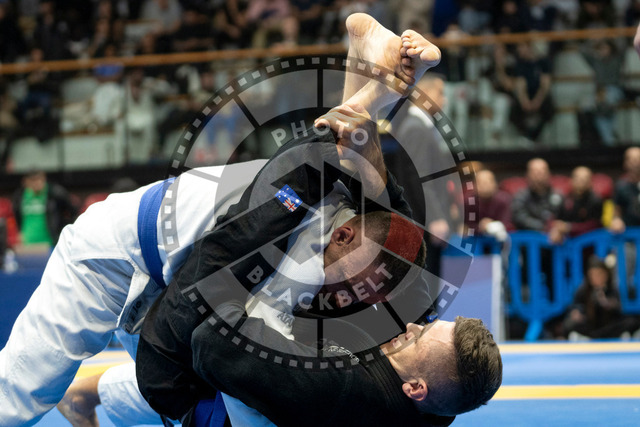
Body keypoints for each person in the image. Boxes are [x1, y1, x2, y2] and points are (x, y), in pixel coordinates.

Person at [0, 12, 440, 426]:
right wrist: (377, 96)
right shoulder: (301, 251)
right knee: (21, 397)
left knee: (198, 371)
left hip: (171, 266)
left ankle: (88, 394)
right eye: (350, 282)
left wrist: (379, 95)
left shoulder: (348, 205)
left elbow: (376, 192)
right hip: (111, 255)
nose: (343, 296)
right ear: (342, 236)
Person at [137, 13, 500, 426]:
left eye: (418, 338)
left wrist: (264, 283)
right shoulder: (437, 394)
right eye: (426, 327)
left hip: (190, 369)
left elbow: (212, 340)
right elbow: (434, 374)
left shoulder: (340, 390)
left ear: (415, 388)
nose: (414, 328)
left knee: (270, 222)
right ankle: (367, 100)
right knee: (388, 245)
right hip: (215, 362)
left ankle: (370, 100)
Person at [563, 256, 640, 340]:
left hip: (609, 326)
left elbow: (619, 310)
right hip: (590, 327)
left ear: (606, 274)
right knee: (569, 324)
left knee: (631, 322)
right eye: (593, 275)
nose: (597, 278)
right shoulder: (583, 290)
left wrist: (606, 302)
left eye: (600, 274)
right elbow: (575, 306)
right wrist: (576, 313)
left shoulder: (611, 289)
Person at [11, 170, 78, 247]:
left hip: (50, 242)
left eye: (39, 179)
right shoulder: (20, 196)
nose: (36, 183)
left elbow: (72, 211)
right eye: (33, 180)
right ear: (26, 182)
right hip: (28, 242)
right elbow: (17, 215)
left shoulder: (54, 193)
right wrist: (20, 232)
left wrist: (62, 230)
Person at [549, 166, 602, 245]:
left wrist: (569, 228)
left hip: (590, 244)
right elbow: (555, 219)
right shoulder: (565, 199)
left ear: (591, 182)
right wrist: (555, 229)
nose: (581, 182)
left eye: (585, 179)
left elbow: (594, 226)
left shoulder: (596, 201)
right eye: (578, 178)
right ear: (571, 180)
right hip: (567, 244)